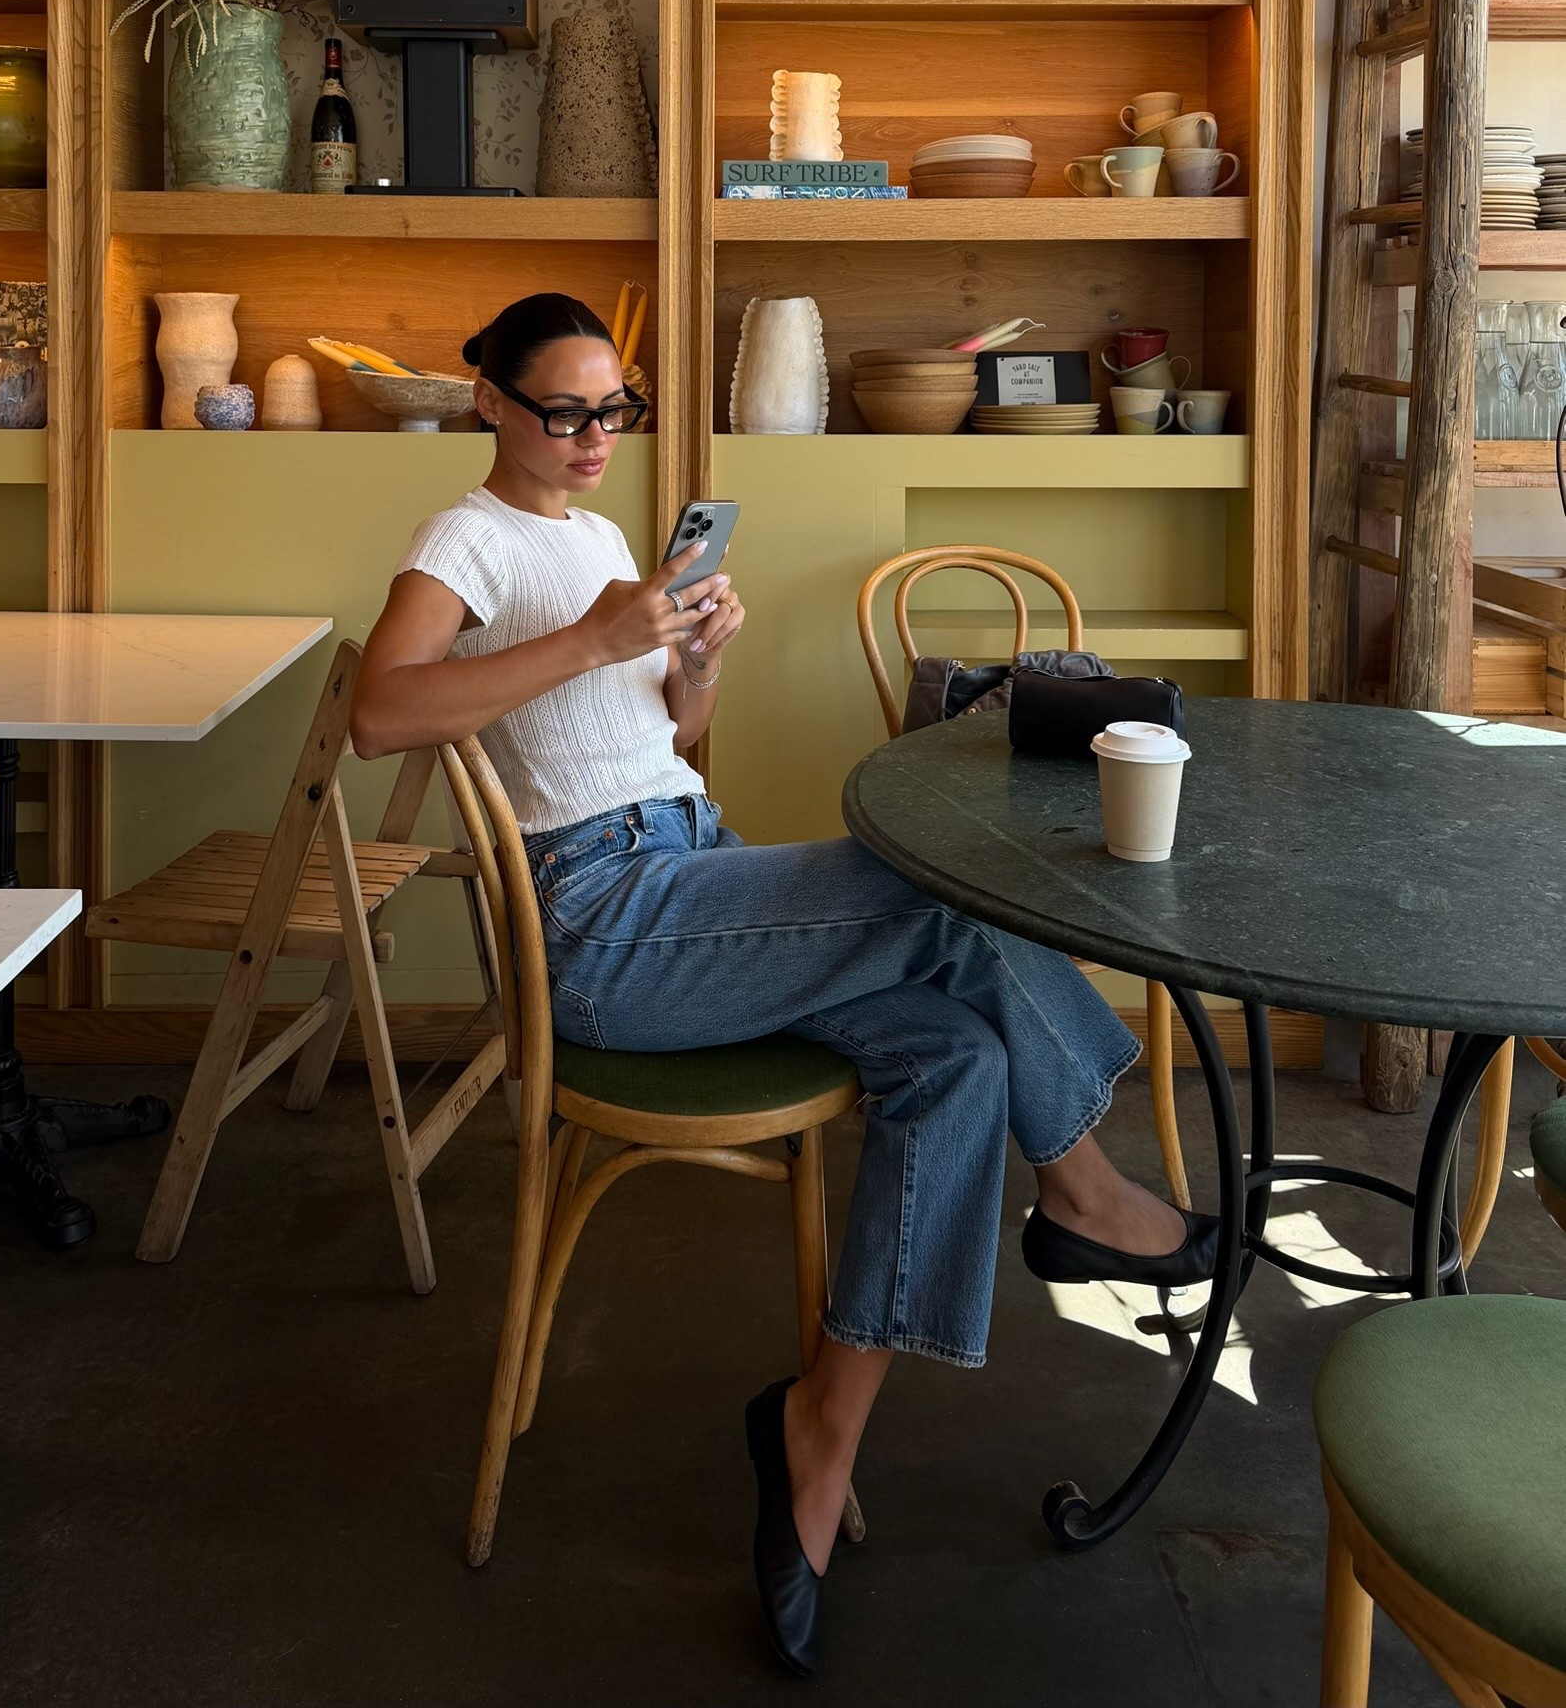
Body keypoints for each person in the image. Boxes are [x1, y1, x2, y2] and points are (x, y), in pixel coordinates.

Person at [352, 293, 1216, 1678]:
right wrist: (591, 637)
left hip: (690, 869)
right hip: (605, 925)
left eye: (609, 409)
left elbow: (662, 746)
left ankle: (819, 1429)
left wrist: (689, 661)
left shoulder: (600, 538)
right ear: (492, 406)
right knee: (936, 879)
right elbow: (379, 711)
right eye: (562, 410)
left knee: (956, 1060)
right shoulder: (465, 536)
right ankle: (1082, 1190)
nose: (589, 436)